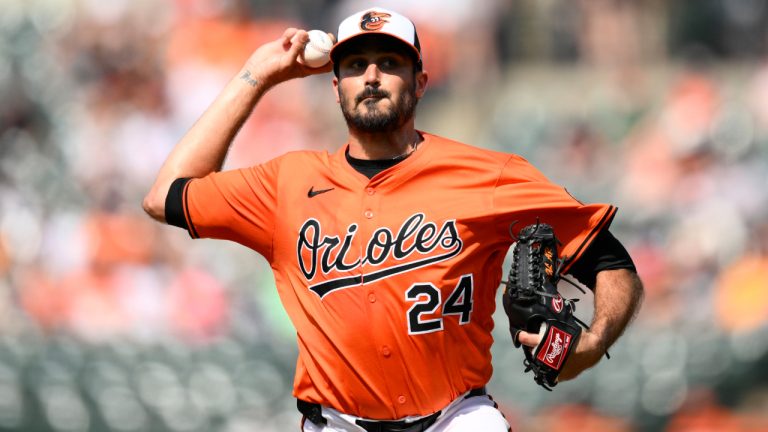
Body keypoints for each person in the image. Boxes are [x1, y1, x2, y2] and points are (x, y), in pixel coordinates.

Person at [143, 6, 644, 432]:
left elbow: (611, 261)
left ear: (421, 81)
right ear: (335, 85)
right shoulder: (285, 183)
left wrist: (595, 341)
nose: (373, 76)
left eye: (390, 62)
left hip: (456, 417)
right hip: (334, 421)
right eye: (356, 64)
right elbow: (165, 195)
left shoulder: (489, 175)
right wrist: (256, 77)